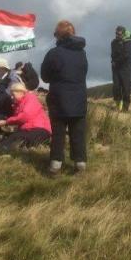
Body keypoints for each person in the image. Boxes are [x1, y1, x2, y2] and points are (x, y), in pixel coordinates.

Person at [41, 20, 88, 175]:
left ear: (58, 35)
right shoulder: (82, 53)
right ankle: (80, 164)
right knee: (78, 133)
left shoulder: (54, 53)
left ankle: (55, 166)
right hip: (79, 98)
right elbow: (84, 73)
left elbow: (45, 76)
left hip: (59, 99)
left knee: (58, 134)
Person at [0, 82, 52, 152]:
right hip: (28, 129)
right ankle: (4, 147)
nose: (11, 97)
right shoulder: (17, 104)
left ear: (21, 92)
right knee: (13, 138)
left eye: (13, 95)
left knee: (19, 139)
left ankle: (8, 149)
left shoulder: (31, 98)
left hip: (40, 129)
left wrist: (6, 122)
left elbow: (25, 116)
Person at [110, 25, 131, 112]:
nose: (117, 35)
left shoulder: (128, 42)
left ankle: (125, 108)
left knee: (126, 88)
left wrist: (116, 60)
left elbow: (126, 55)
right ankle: (118, 106)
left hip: (125, 68)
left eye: (119, 33)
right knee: (116, 87)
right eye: (116, 33)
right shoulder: (113, 42)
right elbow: (113, 54)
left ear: (123, 33)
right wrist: (113, 61)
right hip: (116, 68)